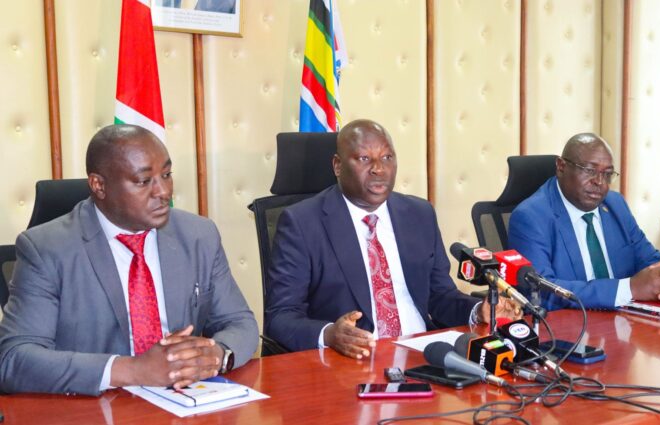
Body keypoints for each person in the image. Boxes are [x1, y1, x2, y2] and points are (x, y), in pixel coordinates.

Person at [0, 124, 258, 395]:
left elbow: (240, 322)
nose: (163, 192)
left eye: (166, 175)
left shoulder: (198, 235)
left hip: (183, 399)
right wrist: (133, 370)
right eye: (144, 181)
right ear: (99, 185)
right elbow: (14, 358)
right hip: (94, 405)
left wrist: (216, 355)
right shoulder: (47, 249)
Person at [265, 119, 521, 358]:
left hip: (423, 354)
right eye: (364, 158)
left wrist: (478, 311)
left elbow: (440, 296)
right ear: (338, 166)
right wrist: (330, 334)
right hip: (352, 360)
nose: (378, 169)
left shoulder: (419, 214)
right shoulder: (303, 223)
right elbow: (281, 316)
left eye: (387, 157)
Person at [508, 133, 660, 311]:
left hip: (626, 321)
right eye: (590, 170)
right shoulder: (530, 217)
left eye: (607, 174)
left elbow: (654, 262)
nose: (600, 182)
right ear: (561, 166)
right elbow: (540, 292)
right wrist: (629, 289)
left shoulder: (615, 204)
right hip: (572, 327)